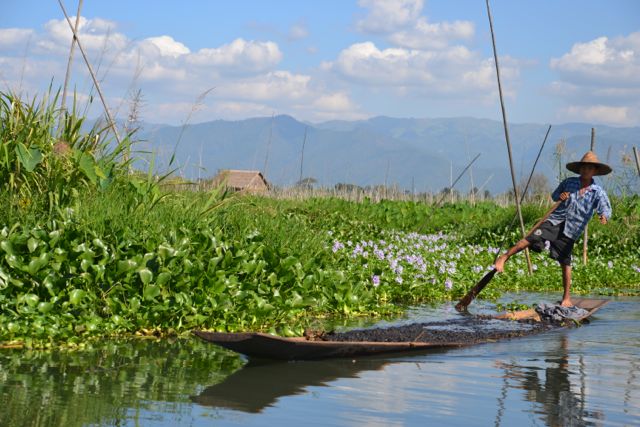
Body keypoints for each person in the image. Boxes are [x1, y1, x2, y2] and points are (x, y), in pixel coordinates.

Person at [494, 151, 612, 307]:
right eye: (583, 167)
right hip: (556, 220)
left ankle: (566, 298)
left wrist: (604, 216)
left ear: (595, 171)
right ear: (579, 169)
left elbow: (605, 208)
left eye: (589, 168)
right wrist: (561, 196)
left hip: (572, 229)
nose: (586, 170)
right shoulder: (569, 182)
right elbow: (555, 196)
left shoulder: (598, 192)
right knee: (532, 237)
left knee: (565, 261)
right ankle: (504, 257)